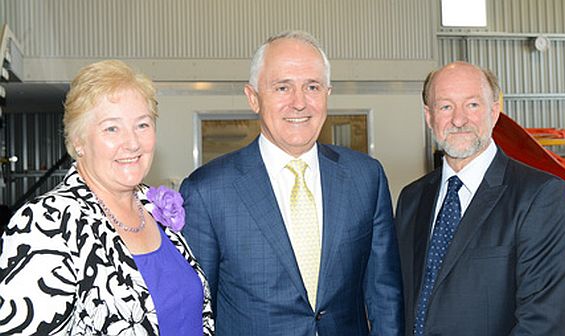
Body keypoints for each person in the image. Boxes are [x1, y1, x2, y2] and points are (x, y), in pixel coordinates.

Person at [180, 31, 404, 335]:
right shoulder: (207, 191)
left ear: (327, 93)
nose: (299, 103)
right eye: (282, 87)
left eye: (312, 86)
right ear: (253, 98)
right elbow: (196, 312)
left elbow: (384, 294)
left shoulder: (366, 177)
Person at [0, 60, 214, 335]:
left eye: (142, 125)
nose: (133, 142)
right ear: (78, 140)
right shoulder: (47, 223)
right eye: (112, 128)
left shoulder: (152, 206)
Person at [395, 61, 565, 336]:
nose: (458, 120)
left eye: (472, 105)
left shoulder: (542, 196)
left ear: (494, 112)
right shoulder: (411, 198)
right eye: (445, 106)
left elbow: (545, 320)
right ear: (429, 116)